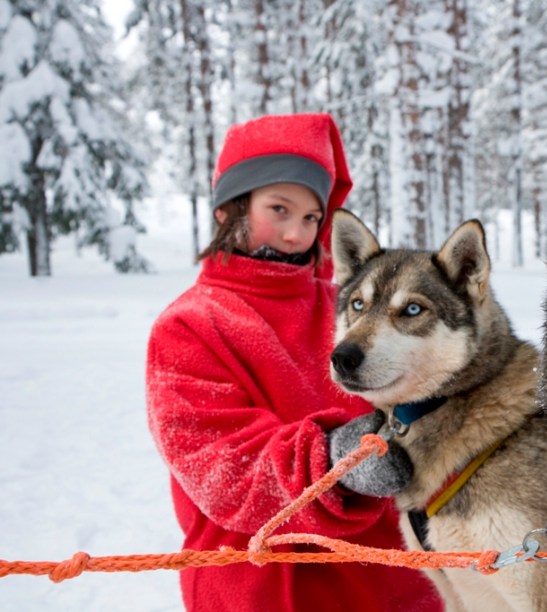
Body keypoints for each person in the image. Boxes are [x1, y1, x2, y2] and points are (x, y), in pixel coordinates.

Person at [146, 113, 442, 612]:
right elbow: (223, 469)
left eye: (310, 218)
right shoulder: (189, 326)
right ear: (229, 209)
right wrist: (333, 462)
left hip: (391, 582)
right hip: (264, 586)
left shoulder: (348, 307)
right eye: (278, 209)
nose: (295, 234)